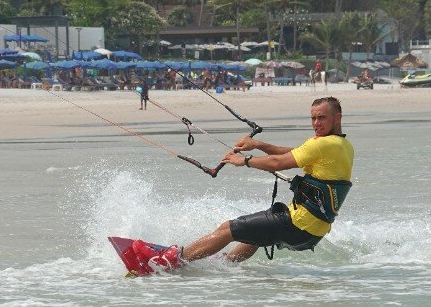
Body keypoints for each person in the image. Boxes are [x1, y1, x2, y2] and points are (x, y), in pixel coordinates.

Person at [131, 97, 354, 269]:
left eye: (321, 118)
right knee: (255, 236)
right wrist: (257, 145)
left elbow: (278, 162)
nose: (316, 123)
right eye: (313, 118)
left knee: (228, 229)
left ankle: (171, 262)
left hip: (299, 224)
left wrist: (243, 161)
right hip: (312, 232)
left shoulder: (323, 145)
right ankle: (226, 265)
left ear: (337, 117)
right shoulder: (341, 145)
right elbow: (292, 153)